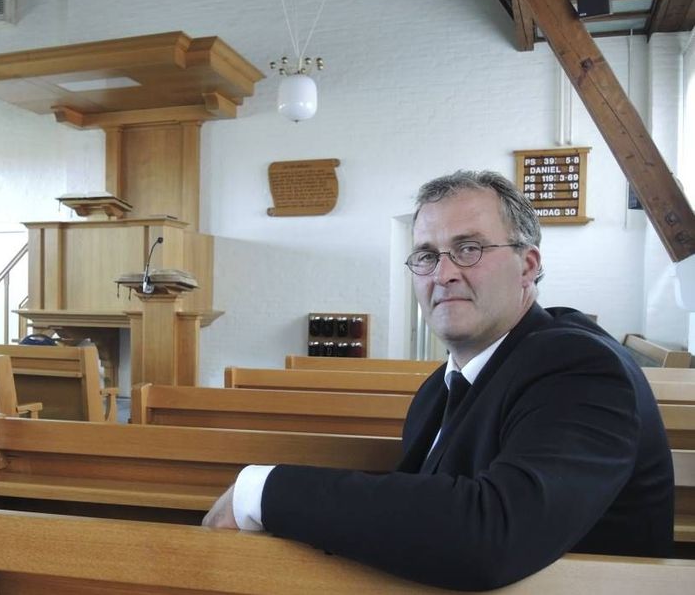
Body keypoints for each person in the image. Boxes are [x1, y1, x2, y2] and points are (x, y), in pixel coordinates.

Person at [203, 170, 674, 590]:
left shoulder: (582, 368)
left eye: (469, 249)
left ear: (528, 266)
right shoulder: (438, 389)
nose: (443, 273)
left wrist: (261, 492)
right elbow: (422, 522)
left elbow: (492, 536)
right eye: (427, 256)